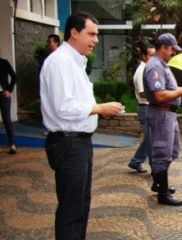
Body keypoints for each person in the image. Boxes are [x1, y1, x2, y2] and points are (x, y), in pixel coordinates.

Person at [40, 12, 123, 240]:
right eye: (92, 34)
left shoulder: (74, 62)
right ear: (74, 33)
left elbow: (78, 102)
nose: (96, 40)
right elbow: (63, 107)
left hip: (78, 142)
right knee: (71, 209)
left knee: (80, 205)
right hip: (68, 143)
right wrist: (99, 108)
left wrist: (99, 109)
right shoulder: (60, 62)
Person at [143, 33, 182, 206]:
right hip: (162, 113)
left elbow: (168, 88)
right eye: (172, 49)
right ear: (163, 47)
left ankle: (159, 183)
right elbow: (159, 95)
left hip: (168, 114)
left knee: (172, 151)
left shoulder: (161, 64)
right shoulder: (155, 66)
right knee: (163, 153)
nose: (173, 52)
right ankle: (162, 193)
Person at [128, 43, 156, 173]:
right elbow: (142, 93)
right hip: (145, 108)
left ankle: (136, 161)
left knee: (148, 139)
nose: (153, 58)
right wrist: (158, 96)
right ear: (143, 56)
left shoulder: (148, 69)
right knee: (151, 140)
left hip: (148, 108)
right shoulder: (141, 71)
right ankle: (155, 168)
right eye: (151, 55)